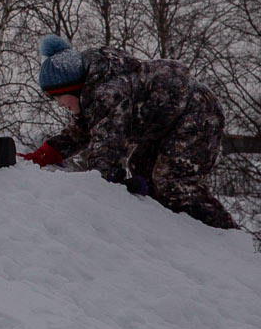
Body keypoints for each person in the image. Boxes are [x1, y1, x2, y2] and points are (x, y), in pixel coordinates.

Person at [21, 35, 240, 229]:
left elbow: (108, 146)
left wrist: (101, 183)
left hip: (198, 114)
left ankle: (225, 236)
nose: (60, 104)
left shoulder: (108, 92)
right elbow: (79, 133)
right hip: (164, 126)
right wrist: (40, 156)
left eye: (58, 97)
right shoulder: (92, 93)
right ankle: (168, 229)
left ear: (72, 88)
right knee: (140, 168)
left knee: (172, 181)